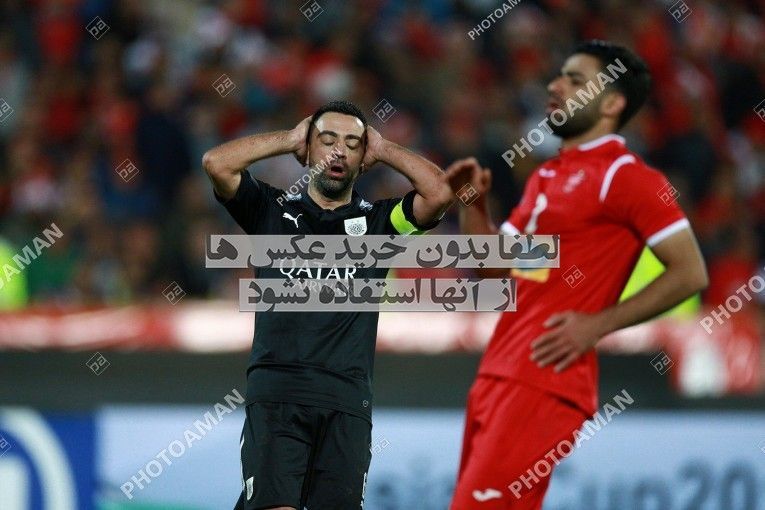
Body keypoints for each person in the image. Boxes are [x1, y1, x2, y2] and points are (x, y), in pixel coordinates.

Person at [446, 40, 708, 509]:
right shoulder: (547, 178)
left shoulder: (626, 177)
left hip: (544, 379)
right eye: (559, 75)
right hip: (498, 372)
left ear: (612, 104)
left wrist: (597, 324)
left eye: (575, 80)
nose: (555, 85)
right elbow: (493, 269)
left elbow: (690, 272)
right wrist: (472, 204)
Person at [202, 100, 452, 510]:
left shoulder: (382, 225)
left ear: (363, 157)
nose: (339, 151)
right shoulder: (270, 211)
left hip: (346, 403)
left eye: (353, 144)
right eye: (328, 139)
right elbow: (217, 163)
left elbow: (440, 192)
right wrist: (287, 140)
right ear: (308, 148)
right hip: (278, 396)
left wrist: (384, 148)